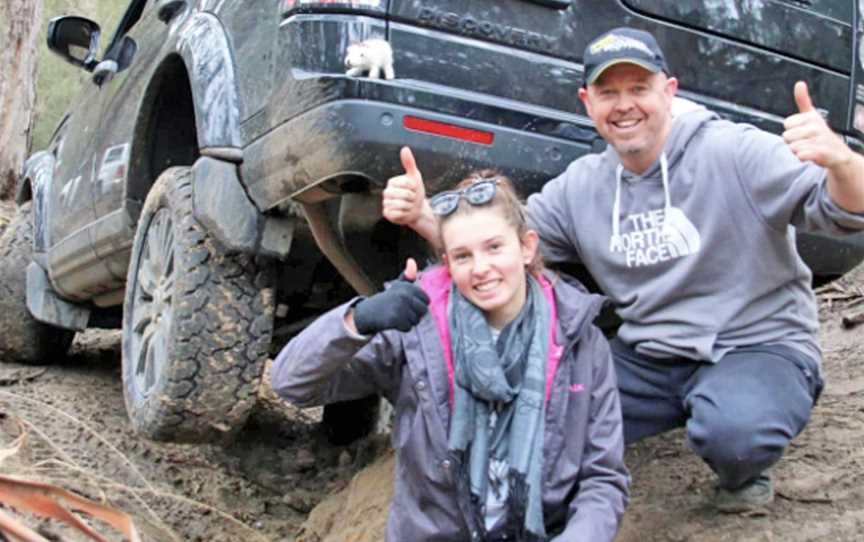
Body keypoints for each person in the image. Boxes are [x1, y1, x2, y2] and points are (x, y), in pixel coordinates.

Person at [382, 27, 864, 513]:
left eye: (639, 89)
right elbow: (504, 245)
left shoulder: (733, 151)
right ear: (587, 102)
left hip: (756, 343)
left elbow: (844, 212)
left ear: (668, 91)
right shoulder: (582, 187)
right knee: (543, 408)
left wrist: (842, 161)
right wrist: (424, 216)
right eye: (608, 93)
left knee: (734, 433)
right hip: (650, 358)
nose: (624, 105)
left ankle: (743, 469)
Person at [272, 172, 629, 541]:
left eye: (494, 248)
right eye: (462, 255)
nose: (480, 268)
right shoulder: (417, 330)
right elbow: (291, 383)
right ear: (447, 262)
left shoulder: (580, 339)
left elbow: (602, 480)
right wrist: (358, 319)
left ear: (526, 247)